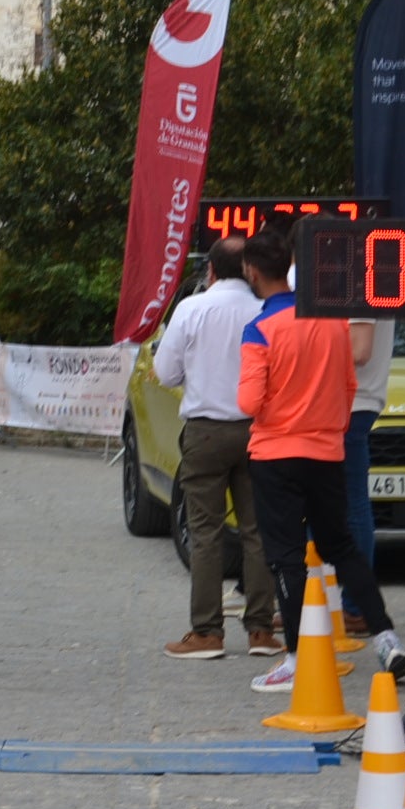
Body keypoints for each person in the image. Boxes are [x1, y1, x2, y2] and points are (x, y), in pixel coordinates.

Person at [236, 231, 404, 689]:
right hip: (327, 451)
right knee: (342, 547)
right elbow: (349, 385)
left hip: (275, 454)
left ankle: (295, 659)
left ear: (252, 271)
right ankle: (386, 636)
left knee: (287, 558)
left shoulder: (259, 330)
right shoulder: (332, 322)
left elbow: (249, 401)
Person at [150, 238, 282, 661]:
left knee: (204, 531)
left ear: (210, 270)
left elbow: (165, 372)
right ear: (250, 269)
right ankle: (261, 630)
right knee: (258, 530)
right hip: (260, 429)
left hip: (206, 431)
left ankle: (207, 632)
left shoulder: (191, 309)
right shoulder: (267, 309)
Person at [338, 316, 395, 637]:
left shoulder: (355, 272)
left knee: (352, 505)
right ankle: (326, 601)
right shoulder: (350, 272)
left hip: (352, 400)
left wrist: (301, 349)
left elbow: (359, 348)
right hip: (350, 398)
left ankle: (355, 606)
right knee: (332, 505)